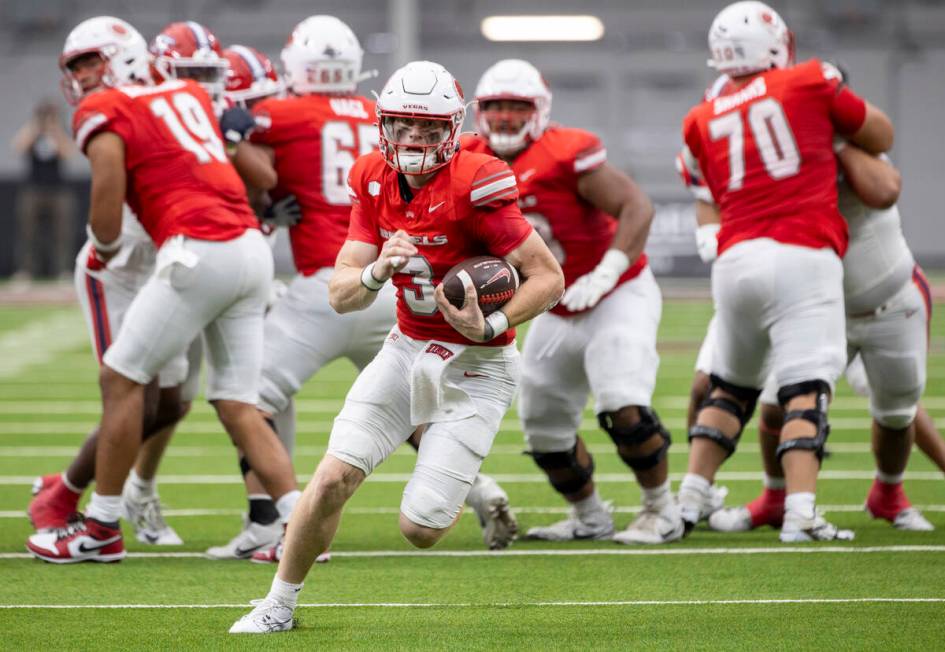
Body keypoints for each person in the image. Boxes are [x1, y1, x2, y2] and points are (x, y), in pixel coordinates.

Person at [228, 60, 564, 634]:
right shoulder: (372, 178)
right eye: (403, 126)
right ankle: (278, 604)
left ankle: (455, 478)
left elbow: (547, 277)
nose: (414, 140)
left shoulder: (476, 180)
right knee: (332, 478)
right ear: (383, 124)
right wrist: (377, 271)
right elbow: (339, 294)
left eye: (430, 129)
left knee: (421, 530)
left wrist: (492, 322)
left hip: (478, 367)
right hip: (406, 347)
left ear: (453, 129)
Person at [214, 18, 520, 561]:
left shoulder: (284, 113)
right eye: (406, 129)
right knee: (396, 412)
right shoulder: (375, 123)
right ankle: (482, 488)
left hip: (337, 280)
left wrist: (241, 155)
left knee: (247, 399)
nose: (413, 139)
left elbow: (243, 160)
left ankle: (278, 518)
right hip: (396, 286)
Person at [25, 15, 300, 563]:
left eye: (90, 63)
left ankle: (99, 525)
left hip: (188, 252)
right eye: (75, 66)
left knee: (124, 381)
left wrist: (104, 247)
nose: (82, 77)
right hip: (245, 250)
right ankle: (298, 523)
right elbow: (250, 175)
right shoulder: (188, 95)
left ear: (122, 58)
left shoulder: (110, 107)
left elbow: (106, 210)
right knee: (235, 402)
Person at [677, 1, 894, 542]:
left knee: (728, 388)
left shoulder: (700, 117)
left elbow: (703, 182)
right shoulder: (810, 81)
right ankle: (800, 514)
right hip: (802, 251)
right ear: (776, 44)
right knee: (804, 389)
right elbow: (882, 137)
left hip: (734, 259)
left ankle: (683, 506)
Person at [461, 59, 676, 544]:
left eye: (518, 107)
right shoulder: (468, 159)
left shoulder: (564, 152)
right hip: (553, 303)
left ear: (539, 111)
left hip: (613, 293)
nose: (504, 118)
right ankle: (590, 516)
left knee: (623, 402)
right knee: (542, 425)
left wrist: (607, 271)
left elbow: (636, 205)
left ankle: (662, 509)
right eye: (495, 107)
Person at [691, 145, 935, 532]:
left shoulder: (844, 147)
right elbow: (707, 190)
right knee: (775, 405)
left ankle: (889, 495)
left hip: (889, 301)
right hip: (816, 303)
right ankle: (775, 497)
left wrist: (837, 141)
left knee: (897, 410)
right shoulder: (773, 150)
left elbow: (885, 189)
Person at [11, 100, 77, 281]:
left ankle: (63, 271)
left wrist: (54, 129)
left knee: (62, 234)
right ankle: (25, 271)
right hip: (33, 189)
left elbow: (68, 153)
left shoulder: (60, 132)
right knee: (27, 234)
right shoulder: (32, 131)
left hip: (58, 189)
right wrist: (36, 126)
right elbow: (18, 147)